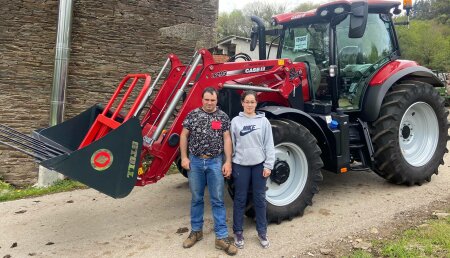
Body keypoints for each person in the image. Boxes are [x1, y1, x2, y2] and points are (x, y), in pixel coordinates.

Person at [180, 87, 238, 256]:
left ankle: (221, 237)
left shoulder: (223, 117)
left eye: (212, 100)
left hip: (215, 162)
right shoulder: (193, 115)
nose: (210, 103)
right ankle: (196, 231)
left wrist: (228, 161)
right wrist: (184, 157)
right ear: (202, 99)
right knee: (197, 198)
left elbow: (227, 139)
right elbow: (184, 135)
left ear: (216, 101)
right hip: (196, 162)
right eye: (207, 99)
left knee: (218, 199)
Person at [230, 90, 275, 249]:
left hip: (259, 166)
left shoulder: (263, 122)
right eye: (247, 102)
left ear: (256, 104)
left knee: (260, 199)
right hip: (241, 165)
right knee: (240, 199)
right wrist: (230, 162)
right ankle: (238, 231)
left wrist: (268, 165)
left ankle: (262, 231)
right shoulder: (235, 121)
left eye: (252, 102)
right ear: (242, 103)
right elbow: (232, 145)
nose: (249, 105)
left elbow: (269, 144)